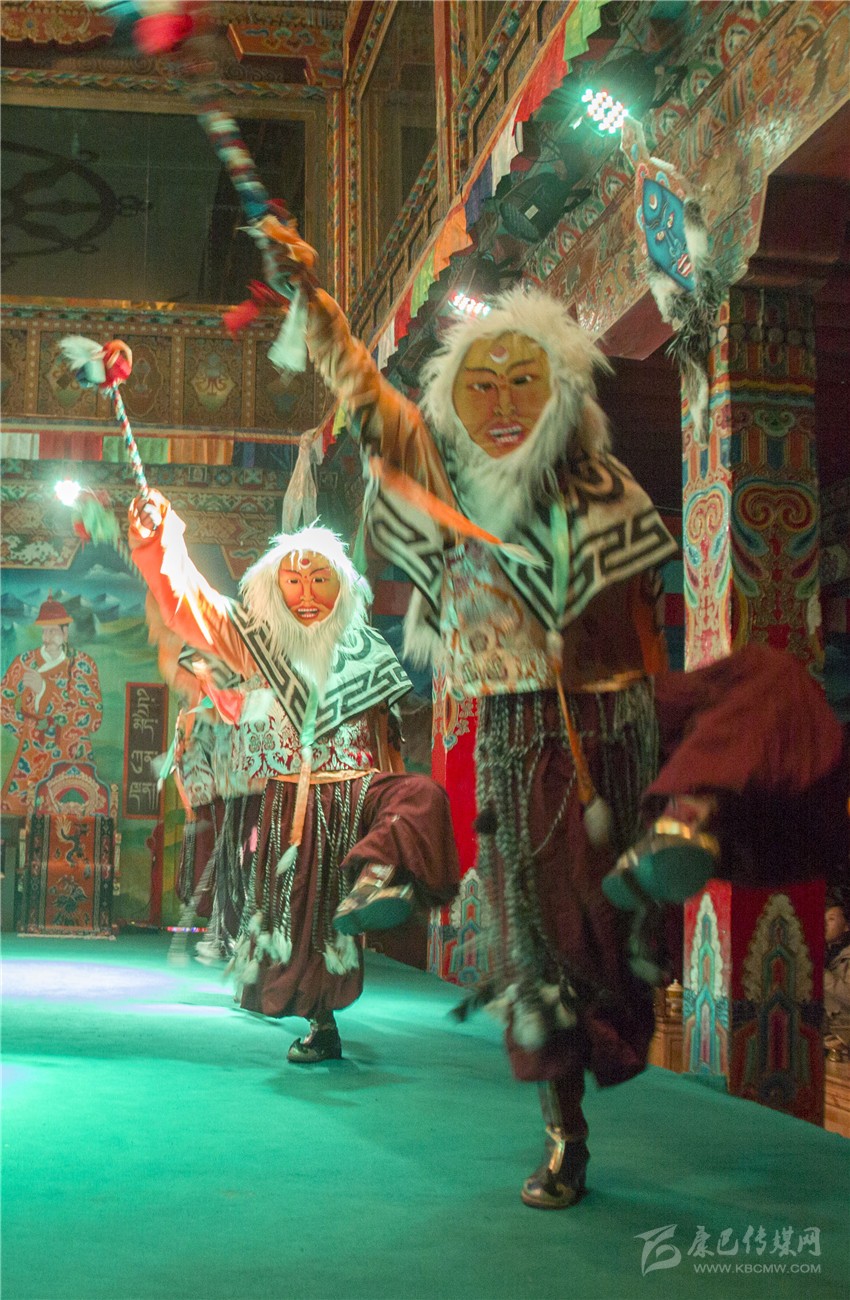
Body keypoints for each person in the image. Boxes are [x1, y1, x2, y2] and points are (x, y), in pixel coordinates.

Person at [260, 222, 848, 1207]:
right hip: (522, 742)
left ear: (561, 394)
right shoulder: (446, 494)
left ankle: (680, 828)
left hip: (624, 718)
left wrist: (669, 755)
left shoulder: (608, 490)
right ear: (455, 402)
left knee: (769, 687)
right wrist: (315, 300)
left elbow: (646, 634)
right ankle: (564, 1137)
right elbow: (366, 397)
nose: (500, 404)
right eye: (480, 386)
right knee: (548, 963)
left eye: (522, 383)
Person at [128, 499, 459, 1061]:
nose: (306, 594)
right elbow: (190, 602)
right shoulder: (254, 639)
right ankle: (322, 1023)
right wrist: (160, 541)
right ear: (274, 587)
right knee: (308, 923)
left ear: (341, 586)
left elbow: (387, 738)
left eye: (319, 580)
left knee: (422, 796)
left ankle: (379, 873)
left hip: (360, 787)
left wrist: (391, 819)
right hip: (295, 803)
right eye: (293, 581)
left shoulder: (368, 649)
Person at [1, 596, 103, 816]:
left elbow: (93, 718)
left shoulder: (83, 664)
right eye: (44, 631)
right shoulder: (25, 663)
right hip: (32, 755)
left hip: (71, 754)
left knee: (74, 817)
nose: (47, 638)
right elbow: (2, 703)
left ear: (65, 633)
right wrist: (27, 729)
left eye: (53, 631)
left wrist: (45, 690)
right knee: (22, 816)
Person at [825, 891, 850, 1049]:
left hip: (842, 1038)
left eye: (831, 919)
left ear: (847, 926)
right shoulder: (826, 952)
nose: (824, 924)